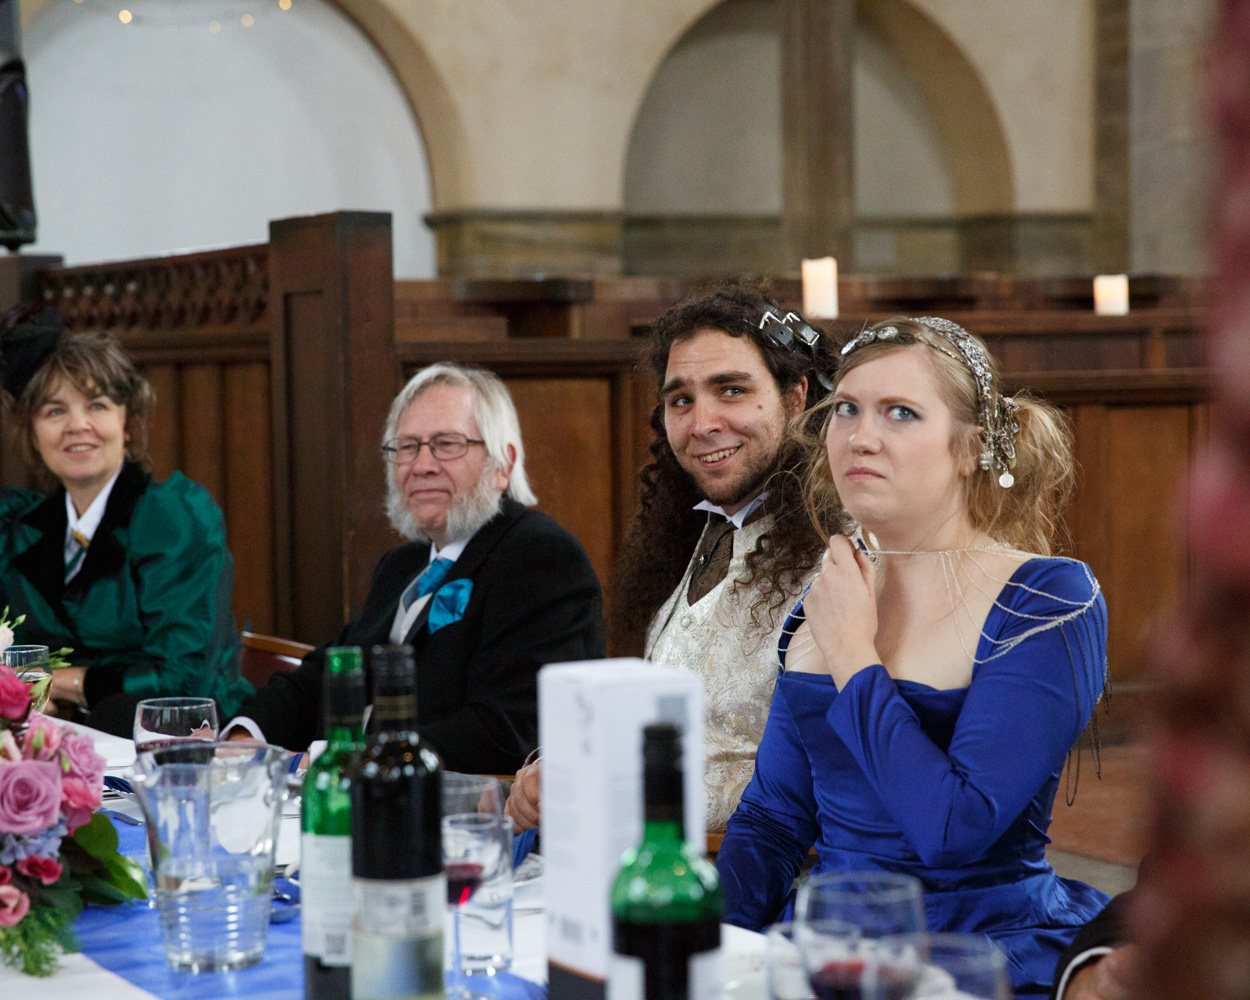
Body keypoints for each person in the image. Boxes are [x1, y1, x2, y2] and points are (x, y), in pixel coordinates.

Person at [716, 317, 1111, 996]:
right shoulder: (833, 591)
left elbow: (953, 828)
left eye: (900, 413)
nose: (861, 437)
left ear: (971, 450)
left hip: (978, 956)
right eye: (846, 409)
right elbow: (775, 819)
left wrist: (853, 658)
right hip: (828, 945)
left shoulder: (1047, 600)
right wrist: (698, 944)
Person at [505, 287, 837, 833]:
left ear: (797, 397)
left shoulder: (842, 551)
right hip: (639, 860)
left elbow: (831, 783)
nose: (701, 422)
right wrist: (552, 771)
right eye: (680, 399)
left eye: (730, 390)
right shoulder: (696, 530)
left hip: (756, 885)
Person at [227, 361, 604, 775]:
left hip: (462, 818)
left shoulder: (540, 556)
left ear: (503, 464)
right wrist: (246, 737)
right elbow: (324, 676)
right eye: (407, 447)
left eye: (446, 444)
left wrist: (340, 762)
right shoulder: (402, 564)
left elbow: (507, 731)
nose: (421, 464)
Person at [0, 305, 252, 736]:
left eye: (96, 405)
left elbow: (186, 680)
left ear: (127, 424)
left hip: (184, 744)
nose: (77, 425)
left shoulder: (173, 517)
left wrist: (65, 682)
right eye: (54, 411)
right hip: (64, 741)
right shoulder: (20, 527)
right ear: (32, 432)